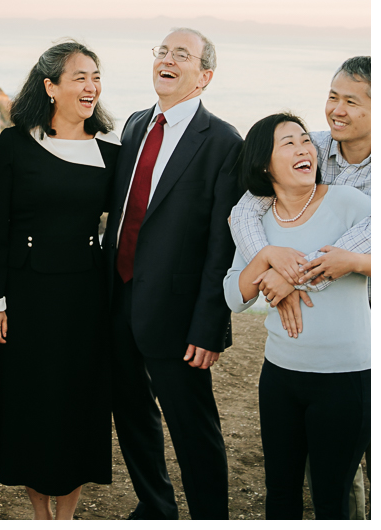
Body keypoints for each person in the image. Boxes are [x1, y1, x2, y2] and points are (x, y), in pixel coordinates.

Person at [0, 42, 120, 519]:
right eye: (79, 77)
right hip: (25, 299)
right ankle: (40, 518)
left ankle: (66, 519)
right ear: (51, 86)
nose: (91, 86)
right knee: (33, 403)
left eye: (95, 77)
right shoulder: (13, 145)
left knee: (78, 404)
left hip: (85, 299)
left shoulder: (113, 154)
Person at [102, 29, 242, 519]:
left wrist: (210, 326)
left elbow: (222, 245)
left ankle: (209, 518)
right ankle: (155, 506)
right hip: (118, 297)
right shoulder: (136, 125)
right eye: (161, 50)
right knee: (132, 414)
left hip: (179, 314)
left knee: (193, 426)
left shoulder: (224, 141)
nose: (167, 58)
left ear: (203, 76)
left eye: (181, 54)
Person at [229, 56, 371, 518]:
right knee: (286, 490)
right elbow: (244, 215)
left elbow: (344, 252)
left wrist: (349, 263)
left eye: (353, 100)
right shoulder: (313, 156)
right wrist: (268, 259)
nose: (337, 110)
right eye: (333, 97)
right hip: (284, 370)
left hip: (352, 360)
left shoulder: (354, 200)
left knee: (338, 492)